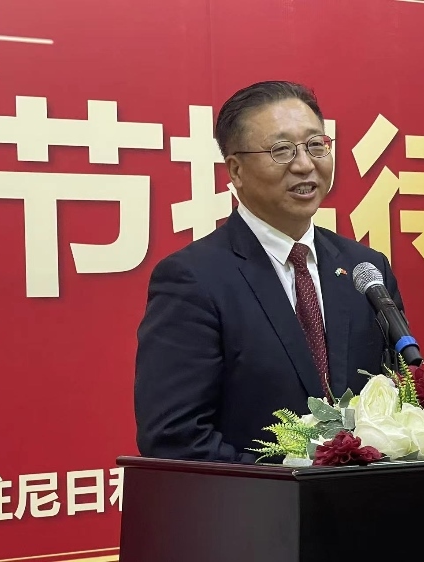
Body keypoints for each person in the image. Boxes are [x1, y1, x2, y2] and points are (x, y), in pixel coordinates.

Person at [134, 81, 405, 463]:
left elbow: (400, 398)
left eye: (316, 145)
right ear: (236, 170)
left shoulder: (365, 267)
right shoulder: (193, 279)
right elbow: (175, 438)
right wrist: (297, 482)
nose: (305, 164)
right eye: (281, 150)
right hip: (257, 500)